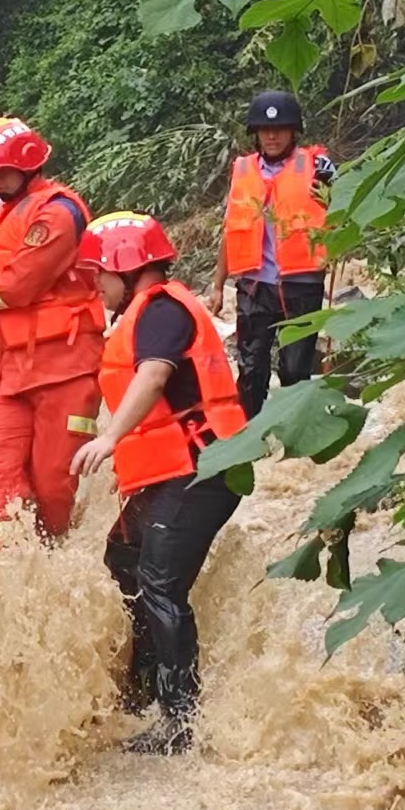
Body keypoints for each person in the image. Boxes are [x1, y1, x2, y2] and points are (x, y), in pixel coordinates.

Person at [72, 212, 248, 756]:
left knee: (160, 583)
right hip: (174, 472)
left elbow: (153, 376)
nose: (95, 284)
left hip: (201, 471)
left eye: (99, 272)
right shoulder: (146, 313)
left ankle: (179, 718)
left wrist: (108, 440)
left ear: (126, 267)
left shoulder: (162, 312)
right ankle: (143, 684)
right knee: (122, 558)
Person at [0, 117, 105, 548]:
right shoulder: (2, 207)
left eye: (2, 171)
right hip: (10, 367)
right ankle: (8, 565)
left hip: (65, 366)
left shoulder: (57, 212)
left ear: (29, 165)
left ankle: (51, 558)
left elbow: (18, 284)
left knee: (54, 483)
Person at [208, 90, 335, 417]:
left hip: (302, 285)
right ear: (256, 134)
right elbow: (231, 229)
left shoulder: (317, 167)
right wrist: (217, 285)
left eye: (279, 129)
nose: (272, 135)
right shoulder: (243, 171)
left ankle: (294, 435)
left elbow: (342, 211)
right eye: (265, 130)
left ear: (294, 131)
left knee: (294, 371)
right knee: (251, 372)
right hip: (254, 287)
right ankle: (250, 440)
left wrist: (333, 184)